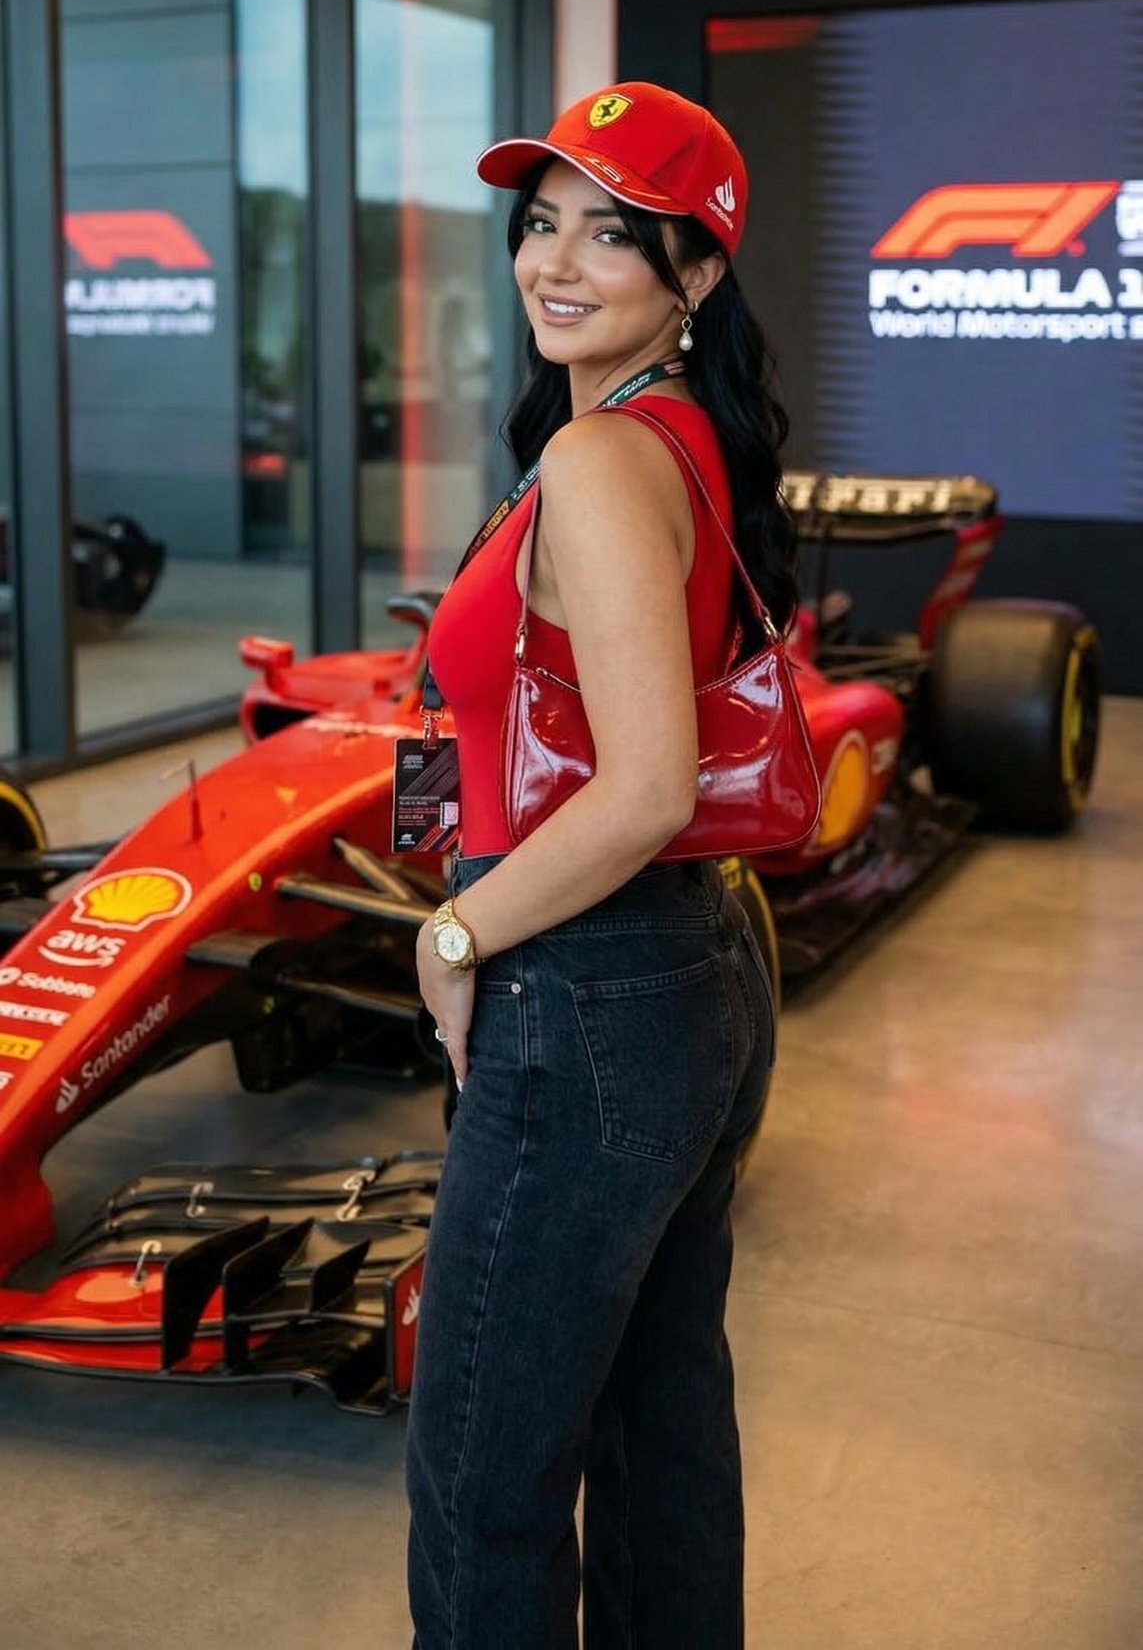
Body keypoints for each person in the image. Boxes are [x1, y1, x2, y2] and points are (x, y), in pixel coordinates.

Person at [406, 81, 798, 1649]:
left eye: (613, 234)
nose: (554, 263)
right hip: (684, 973)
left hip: (586, 986)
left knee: (484, 1478)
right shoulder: (681, 437)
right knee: (658, 1431)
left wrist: (454, 935)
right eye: (541, 221)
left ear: (696, 271)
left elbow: (643, 789)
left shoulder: (604, 459)